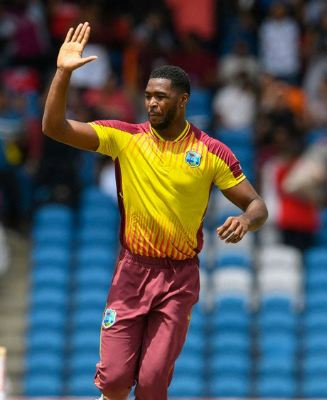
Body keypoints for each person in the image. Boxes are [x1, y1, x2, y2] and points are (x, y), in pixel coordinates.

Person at [42, 23, 268, 400]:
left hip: (178, 279)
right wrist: (63, 72)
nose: (151, 104)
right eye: (147, 96)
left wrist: (246, 219)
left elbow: (257, 204)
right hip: (132, 271)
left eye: (160, 97)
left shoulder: (212, 152)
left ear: (183, 101)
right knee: (114, 381)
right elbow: (54, 128)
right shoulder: (125, 138)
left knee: (150, 385)